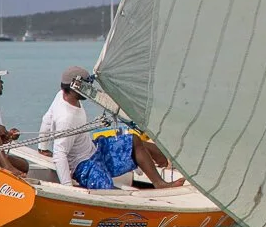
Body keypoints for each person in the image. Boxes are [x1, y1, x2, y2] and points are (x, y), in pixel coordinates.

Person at [38, 66, 175, 190]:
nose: (89, 89)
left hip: (94, 149)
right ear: (75, 88)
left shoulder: (61, 96)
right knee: (107, 188)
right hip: (83, 166)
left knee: (134, 140)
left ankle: (159, 182)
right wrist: (68, 187)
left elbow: (47, 119)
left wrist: (42, 147)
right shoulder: (67, 118)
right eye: (86, 86)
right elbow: (59, 153)